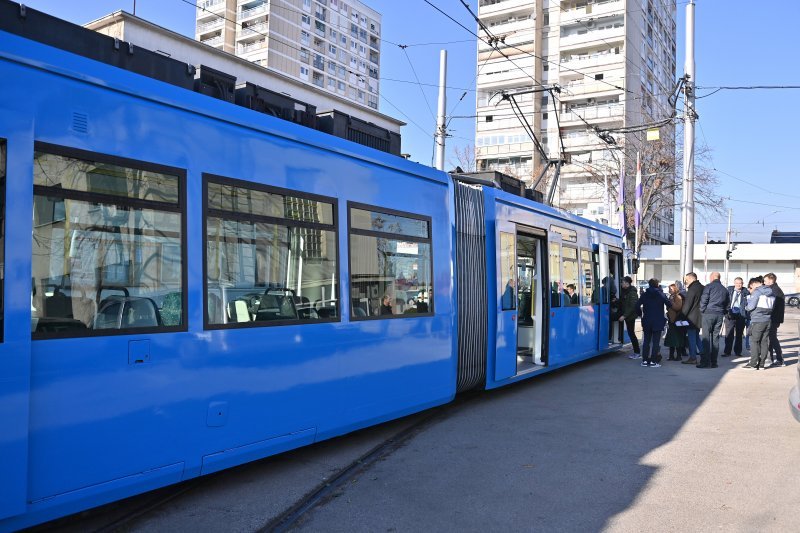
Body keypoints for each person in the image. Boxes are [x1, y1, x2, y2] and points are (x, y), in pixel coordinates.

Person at [698, 271, 730, 369]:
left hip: (708, 314)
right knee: (715, 339)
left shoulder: (708, 287)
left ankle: (705, 362)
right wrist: (723, 312)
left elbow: (704, 300)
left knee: (706, 338)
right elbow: (727, 305)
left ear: (712, 277)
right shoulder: (725, 289)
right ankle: (714, 362)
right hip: (719, 314)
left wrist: (702, 310)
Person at [637, 278, 671, 367]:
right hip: (658, 321)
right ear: (657, 285)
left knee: (646, 341)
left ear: (649, 284)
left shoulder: (644, 295)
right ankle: (653, 361)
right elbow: (669, 305)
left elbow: (637, 305)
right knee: (656, 342)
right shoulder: (661, 294)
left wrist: (640, 314)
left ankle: (644, 360)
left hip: (647, 320)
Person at [744, 277, 775, 369]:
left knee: (754, 341)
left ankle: (753, 363)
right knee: (764, 342)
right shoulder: (771, 292)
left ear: (754, 284)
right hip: (768, 320)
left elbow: (750, 307)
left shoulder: (757, 292)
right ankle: (762, 364)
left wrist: (746, 306)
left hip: (757, 320)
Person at [681, 272, 704, 365]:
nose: (686, 282)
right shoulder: (702, 287)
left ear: (691, 279)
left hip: (692, 318)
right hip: (700, 317)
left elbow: (687, 305)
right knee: (697, 337)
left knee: (691, 338)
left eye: (686, 280)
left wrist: (681, 316)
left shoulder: (692, 289)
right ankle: (703, 354)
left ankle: (693, 357)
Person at [723, 277, 748, 357]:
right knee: (729, 334)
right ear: (734, 283)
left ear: (742, 283)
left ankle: (738, 352)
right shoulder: (729, 290)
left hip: (741, 315)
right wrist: (726, 312)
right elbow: (724, 301)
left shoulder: (746, 292)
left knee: (739, 335)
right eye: (736, 283)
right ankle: (727, 351)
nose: (738, 285)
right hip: (730, 314)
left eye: (740, 283)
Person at [764, 273, 785, 367]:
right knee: (771, 339)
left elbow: (773, 306)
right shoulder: (774, 289)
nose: (764, 282)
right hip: (774, 318)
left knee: (773, 338)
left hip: (774, 318)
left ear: (770, 280)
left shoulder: (774, 290)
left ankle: (780, 360)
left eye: (765, 280)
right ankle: (771, 359)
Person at [618, 276, 641, 359]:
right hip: (626, 315)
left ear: (627, 283)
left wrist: (624, 316)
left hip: (630, 317)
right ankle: (636, 352)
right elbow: (623, 302)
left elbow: (632, 306)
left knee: (632, 334)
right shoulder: (625, 291)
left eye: (623, 282)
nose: (621, 284)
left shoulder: (632, 292)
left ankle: (637, 352)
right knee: (631, 333)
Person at [664, 283, 687, 361]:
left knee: (676, 338)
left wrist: (670, 303)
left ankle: (678, 356)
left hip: (676, 320)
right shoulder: (672, 296)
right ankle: (671, 356)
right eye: (669, 289)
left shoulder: (677, 297)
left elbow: (677, 307)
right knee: (672, 338)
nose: (669, 290)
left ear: (675, 289)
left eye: (671, 289)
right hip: (672, 319)